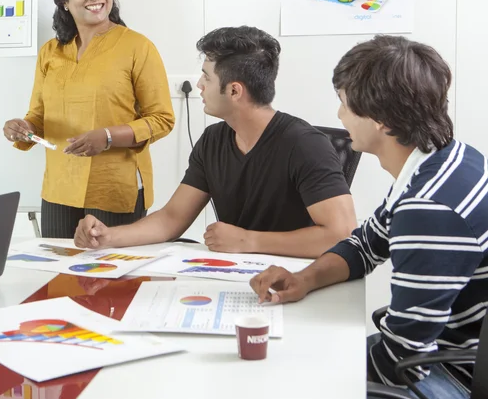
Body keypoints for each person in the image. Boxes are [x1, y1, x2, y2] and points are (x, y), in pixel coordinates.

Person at [250, 36, 487, 399]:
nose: (340, 116)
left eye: (344, 104)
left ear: (380, 121)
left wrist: (306, 376)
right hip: (440, 352)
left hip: (454, 374)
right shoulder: (447, 158)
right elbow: (366, 244)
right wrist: (304, 279)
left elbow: (401, 361)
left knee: (286, 384)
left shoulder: (430, 208)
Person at [75, 26, 357, 258]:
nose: (199, 84)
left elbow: (340, 234)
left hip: (296, 282)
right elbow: (172, 218)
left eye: (206, 77)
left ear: (234, 91)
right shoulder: (214, 140)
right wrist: (110, 236)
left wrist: (249, 241)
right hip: (235, 274)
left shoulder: (305, 145)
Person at [3, 0, 174, 238]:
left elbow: (162, 119)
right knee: (60, 275)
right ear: (64, 2)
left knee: (111, 276)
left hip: (114, 188)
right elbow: (38, 115)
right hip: (59, 188)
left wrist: (108, 137)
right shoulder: (50, 52)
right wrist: (23, 128)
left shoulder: (137, 46)